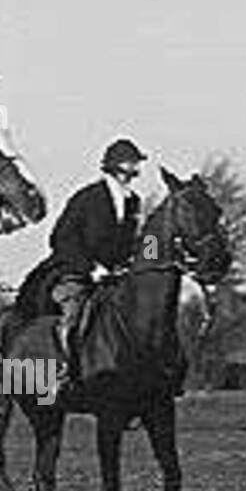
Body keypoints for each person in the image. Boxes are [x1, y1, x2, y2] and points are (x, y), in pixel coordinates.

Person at [43, 138, 146, 397]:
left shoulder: (134, 201)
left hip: (118, 278)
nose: (136, 167)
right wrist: (91, 268)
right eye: (132, 162)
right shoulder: (87, 198)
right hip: (79, 275)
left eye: (136, 162)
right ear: (117, 165)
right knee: (73, 316)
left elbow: (136, 242)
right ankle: (62, 374)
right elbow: (60, 238)